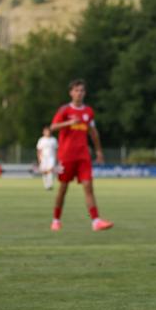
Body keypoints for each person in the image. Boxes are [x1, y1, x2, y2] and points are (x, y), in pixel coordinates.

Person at [50, 79, 114, 231]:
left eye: (82, 90)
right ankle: (56, 219)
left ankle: (96, 221)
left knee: (88, 186)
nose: (79, 93)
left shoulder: (88, 112)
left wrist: (98, 151)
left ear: (85, 93)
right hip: (66, 156)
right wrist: (68, 123)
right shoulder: (65, 110)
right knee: (63, 189)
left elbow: (93, 132)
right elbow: (53, 127)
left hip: (83, 156)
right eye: (76, 90)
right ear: (71, 93)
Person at [36, 126, 58, 191]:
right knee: (44, 171)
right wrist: (39, 158)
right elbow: (39, 150)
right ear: (43, 132)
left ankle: (50, 185)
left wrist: (57, 158)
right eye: (46, 131)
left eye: (48, 131)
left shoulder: (53, 140)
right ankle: (46, 185)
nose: (47, 132)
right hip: (43, 158)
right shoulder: (41, 140)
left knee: (50, 170)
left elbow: (56, 150)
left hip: (51, 157)